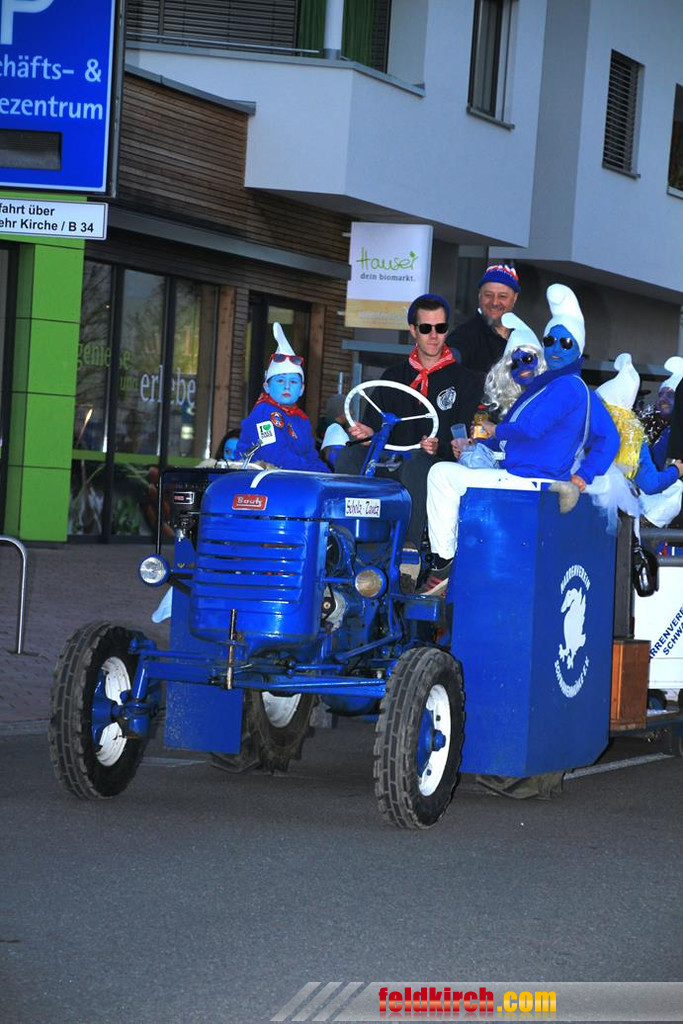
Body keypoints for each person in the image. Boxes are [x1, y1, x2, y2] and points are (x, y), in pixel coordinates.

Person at [421, 288, 620, 595]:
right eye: (550, 341)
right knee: (455, 475)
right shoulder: (548, 388)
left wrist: (584, 475)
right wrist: (479, 446)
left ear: (578, 348)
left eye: (565, 342)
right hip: (523, 476)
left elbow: (532, 429)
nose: (556, 348)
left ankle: (444, 562)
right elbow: (605, 437)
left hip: (531, 481)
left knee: (441, 475)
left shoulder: (567, 386)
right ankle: (453, 560)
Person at [335, 293, 482, 550]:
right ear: (413, 330)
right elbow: (373, 427)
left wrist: (441, 446)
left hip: (435, 465)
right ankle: (345, 539)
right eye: (426, 328)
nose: (434, 336)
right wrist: (367, 433)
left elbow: (463, 435)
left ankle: (409, 548)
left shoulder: (466, 381)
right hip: (390, 462)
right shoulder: (392, 377)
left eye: (440, 328)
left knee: (417, 463)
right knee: (349, 457)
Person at [233, 323, 330, 473]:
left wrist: (327, 475)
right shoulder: (263, 412)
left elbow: (311, 455)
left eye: (293, 382)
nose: (287, 387)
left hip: (289, 477)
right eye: (280, 381)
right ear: (267, 387)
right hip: (258, 479)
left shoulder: (301, 419)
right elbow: (273, 455)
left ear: (301, 389)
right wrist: (313, 471)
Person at [447, 263, 521, 375]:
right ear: (479, 296)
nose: (494, 302)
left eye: (502, 296)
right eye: (488, 295)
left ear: (514, 298)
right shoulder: (463, 337)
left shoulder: (523, 335)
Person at [319, 392, 351, 468]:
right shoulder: (335, 429)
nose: (352, 412)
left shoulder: (327, 425)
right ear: (341, 410)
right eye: (349, 409)